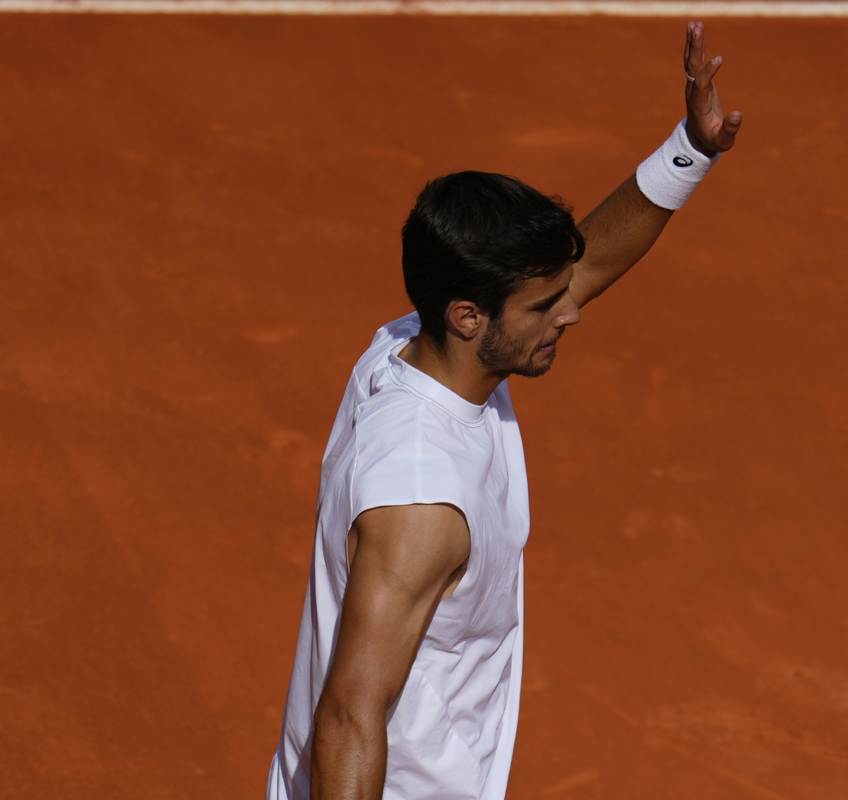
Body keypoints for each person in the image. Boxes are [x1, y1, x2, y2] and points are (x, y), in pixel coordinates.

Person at [265, 20, 742, 800]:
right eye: (546, 305)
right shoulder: (422, 501)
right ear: (468, 316)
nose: (572, 313)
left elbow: (587, 264)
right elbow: (350, 717)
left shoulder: (411, 348)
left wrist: (689, 149)